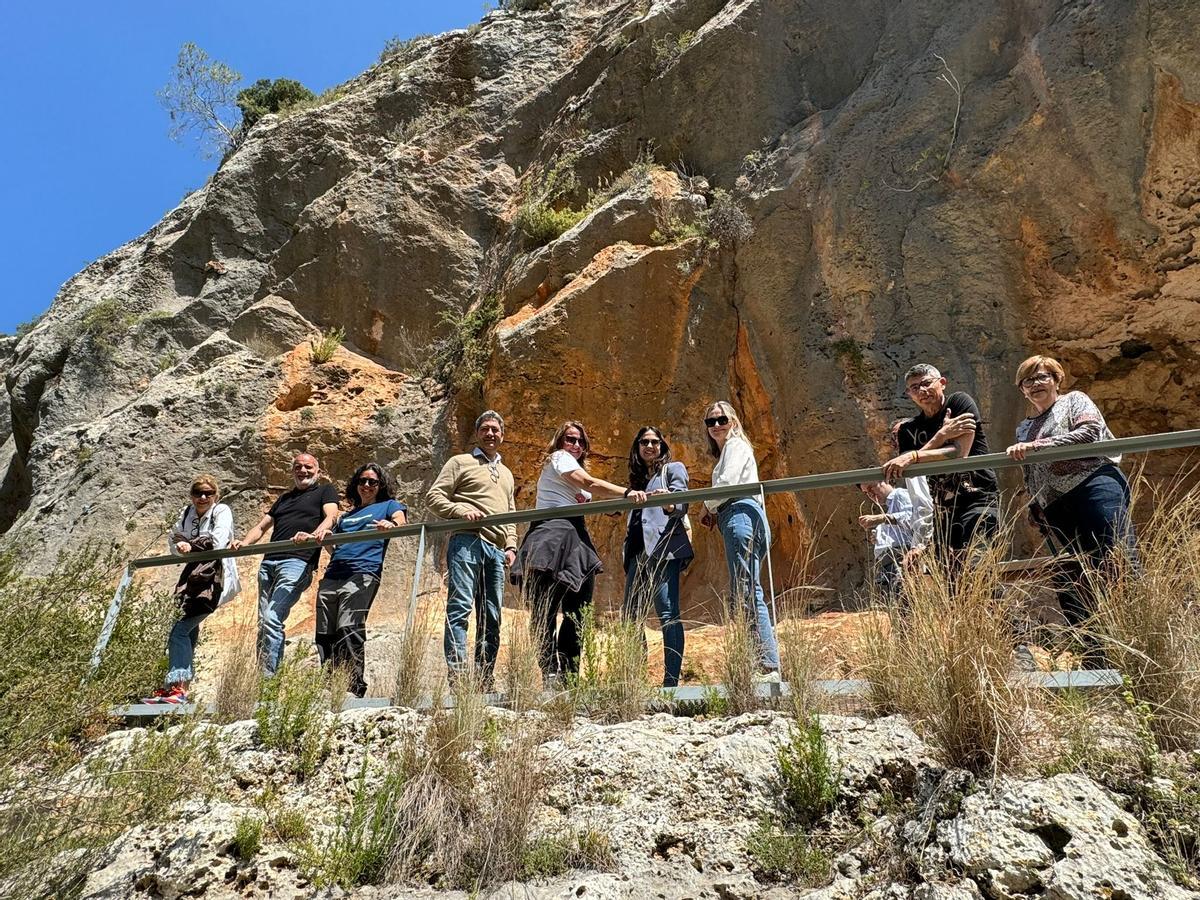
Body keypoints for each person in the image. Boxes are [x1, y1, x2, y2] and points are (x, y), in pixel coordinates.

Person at [1005, 354, 1133, 661]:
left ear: (1056, 379)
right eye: (1027, 380)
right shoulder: (1024, 427)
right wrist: (1034, 504)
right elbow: (1031, 470)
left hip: (1094, 486)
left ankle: (1136, 641)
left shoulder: (1075, 400)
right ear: (1022, 389)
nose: (1035, 384)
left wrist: (1037, 447)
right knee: (1074, 572)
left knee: (1116, 558)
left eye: (1041, 377)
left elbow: (1089, 433)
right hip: (1056, 506)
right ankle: (1096, 654)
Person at [513, 421, 647, 684]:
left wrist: (608, 506)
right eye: (570, 439)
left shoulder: (574, 467)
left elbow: (581, 492)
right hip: (552, 535)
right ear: (560, 442)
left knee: (578, 611)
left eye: (580, 441)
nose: (575, 445)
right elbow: (586, 481)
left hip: (575, 538)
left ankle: (569, 673)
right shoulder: (559, 458)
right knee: (545, 611)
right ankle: (550, 671)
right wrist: (628, 493)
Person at [426, 410, 518, 687]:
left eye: (495, 429)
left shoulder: (506, 473)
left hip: (497, 548)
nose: (491, 433)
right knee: (460, 607)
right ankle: (458, 677)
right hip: (467, 540)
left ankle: (483, 678)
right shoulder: (460, 462)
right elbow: (434, 496)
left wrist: (512, 545)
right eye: (485, 428)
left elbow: (511, 510)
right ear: (477, 433)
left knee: (492, 614)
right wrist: (459, 509)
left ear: (502, 435)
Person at [232, 453, 339, 676]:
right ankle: (262, 680)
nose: (303, 471)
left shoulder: (324, 491)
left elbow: (331, 516)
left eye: (308, 467)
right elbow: (262, 527)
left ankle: (268, 683)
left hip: (297, 560)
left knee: (272, 617)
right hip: (268, 562)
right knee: (264, 623)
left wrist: (314, 534)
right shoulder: (284, 499)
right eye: (298, 467)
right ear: (292, 471)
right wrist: (243, 543)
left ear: (317, 472)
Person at [883, 364, 999, 561]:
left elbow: (959, 453)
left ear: (942, 383)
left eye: (927, 383)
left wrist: (914, 456)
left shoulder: (958, 403)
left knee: (978, 564)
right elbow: (911, 469)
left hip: (977, 496)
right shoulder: (907, 430)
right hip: (942, 510)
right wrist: (942, 436)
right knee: (950, 575)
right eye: (914, 387)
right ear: (909, 394)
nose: (922, 390)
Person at [699, 401, 780, 678]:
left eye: (721, 419)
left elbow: (730, 483)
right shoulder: (729, 451)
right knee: (746, 587)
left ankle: (766, 664)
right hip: (741, 516)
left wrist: (707, 505)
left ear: (733, 421)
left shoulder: (735, 446)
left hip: (740, 514)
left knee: (746, 589)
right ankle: (761, 661)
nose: (716, 425)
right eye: (710, 422)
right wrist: (713, 507)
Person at [313, 463, 408, 698]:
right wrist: (323, 538)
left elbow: (401, 521)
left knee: (349, 628)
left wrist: (391, 524)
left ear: (381, 485)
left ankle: (353, 687)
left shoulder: (388, 506)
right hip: (334, 573)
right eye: (362, 481)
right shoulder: (347, 516)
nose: (366, 485)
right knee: (325, 632)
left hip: (363, 573)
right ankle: (328, 685)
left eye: (372, 482)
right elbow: (334, 547)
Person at [145, 474, 241, 703]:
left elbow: (217, 540)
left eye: (208, 493)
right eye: (198, 493)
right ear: (191, 495)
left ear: (216, 496)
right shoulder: (187, 513)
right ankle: (180, 690)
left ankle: (177, 686)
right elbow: (174, 540)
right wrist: (182, 546)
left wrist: (189, 545)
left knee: (179, 629)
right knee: (188, 630)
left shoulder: (222, 511)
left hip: (215, 578)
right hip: (193, 578)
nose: (203, 497)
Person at [621, 426, 693, 687]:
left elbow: (681, 501)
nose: (649, 446)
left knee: (667, 612)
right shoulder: (637, 482)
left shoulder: (672, 469)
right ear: (637, 447)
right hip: (638, 553)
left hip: (663, 549)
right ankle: (634, 681)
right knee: (630, 616)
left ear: (662, 446)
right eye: (643, 442)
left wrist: (670, 503)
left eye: (655, 442)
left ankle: (670, 683)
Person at [857, 481, 917, 599]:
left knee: (903, 599)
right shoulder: (889, 505)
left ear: (885, 481)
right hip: (889, 562)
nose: (870, 494)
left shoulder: (900, 494)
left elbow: (912, 518)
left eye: (871, 487)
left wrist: (882, 518)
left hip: (900, 556)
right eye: (866, 492)